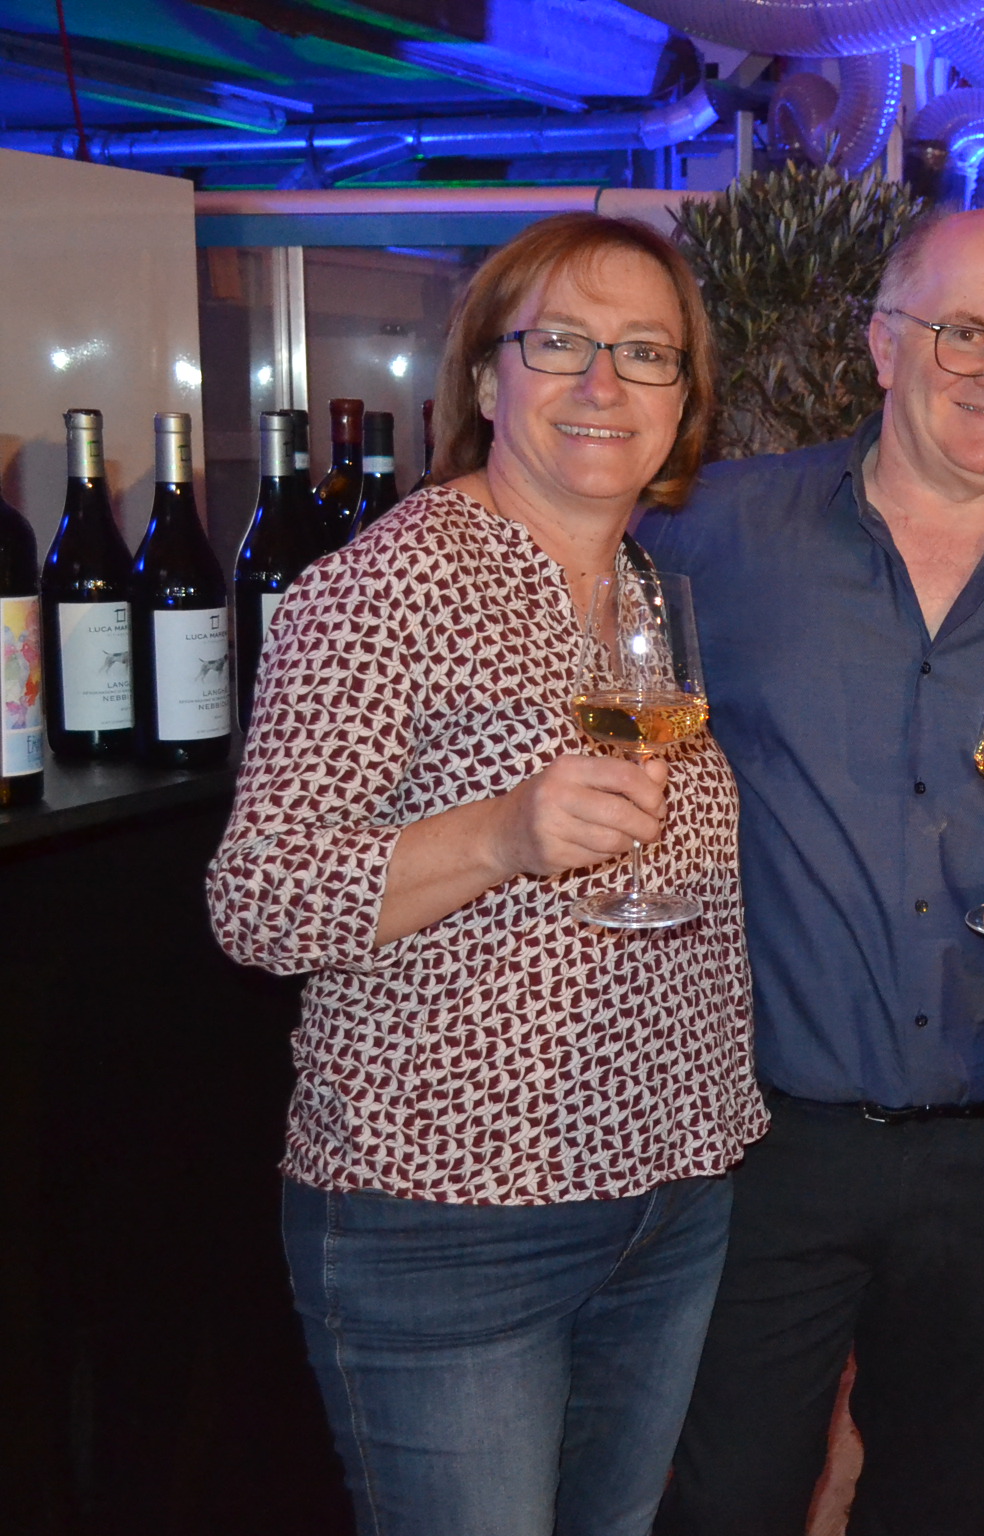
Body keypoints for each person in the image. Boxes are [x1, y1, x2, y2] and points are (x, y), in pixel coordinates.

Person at [641, 206, 984, 1536]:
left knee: (941, 1500)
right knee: (725, 1501)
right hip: (761, 1144)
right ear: (884, 344)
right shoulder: (714, 535)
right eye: (967, 333)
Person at [206, 213, 766, 1535]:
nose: (603, 383)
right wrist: (502, 833)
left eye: (646, 353)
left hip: (670, 1190)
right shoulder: (383, 587)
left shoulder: (642, 593)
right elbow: (258, 900)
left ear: (684, 399)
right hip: (450, 1218)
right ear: (483, 377)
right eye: (560, 342)